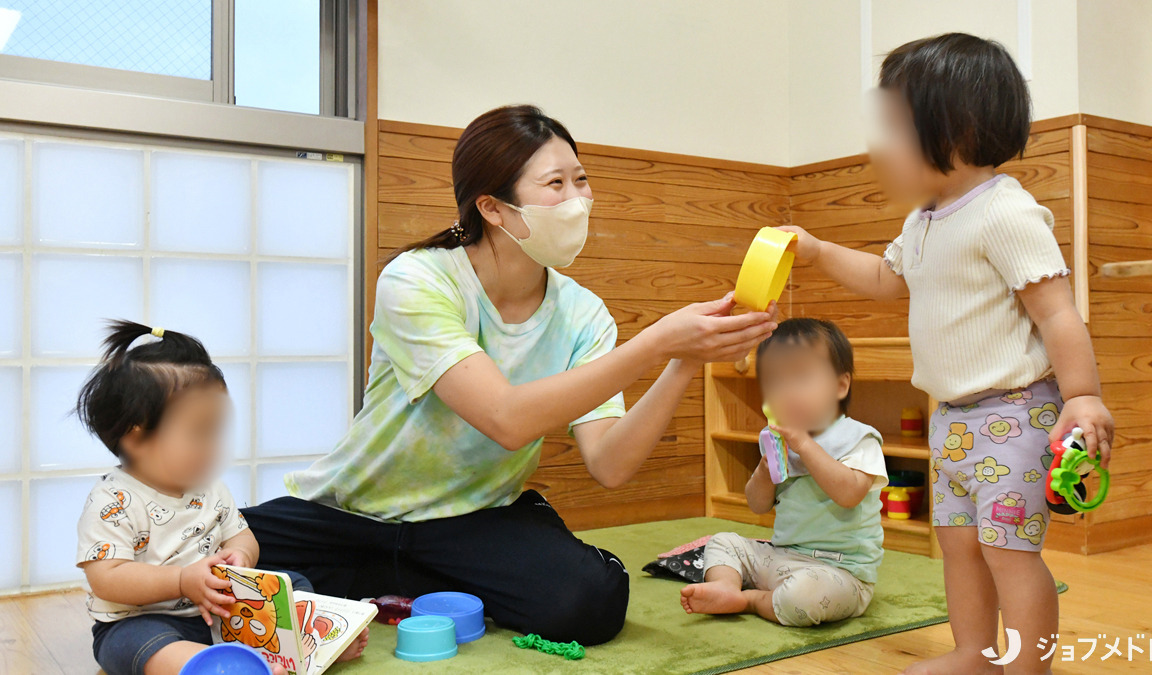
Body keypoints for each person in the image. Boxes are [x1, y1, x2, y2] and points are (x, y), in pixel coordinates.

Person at [243, 105, 777, 645]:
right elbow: (505, 418)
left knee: (590, 602)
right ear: (493, 209)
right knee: (208, 553)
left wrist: (684, 359)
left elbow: (611, 464)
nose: (577, 199)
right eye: (556, 184)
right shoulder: (418, 279)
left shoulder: (584, 315)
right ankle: (405, 581)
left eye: (582, 179)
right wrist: (656, 341)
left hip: (477, 519)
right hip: (354, 514)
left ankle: (386, 587)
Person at [780, 34, 1115, 674]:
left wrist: (1082, 394)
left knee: (1009, 552)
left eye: (897, 127)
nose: (883, 146)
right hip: (954, 418)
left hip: (1015, 414)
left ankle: (1026, 665)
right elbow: (886, 280)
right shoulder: (924, 219)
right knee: (958, 544)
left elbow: (1058, 313)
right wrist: (820, 251)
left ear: (955, 129)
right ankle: (974, 652)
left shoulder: (1006, 213)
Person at [75, 321, 368, 675]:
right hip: (145, 620)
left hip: (222, 614)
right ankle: (221, 665)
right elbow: (107, 578)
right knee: (142, 647)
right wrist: (182, 581)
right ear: (137, 435)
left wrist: (241, 556)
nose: (212, 446)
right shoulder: (114, 500)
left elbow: (241, 535)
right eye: (198, 432)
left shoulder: (209, 488)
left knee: (293, 585)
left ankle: (313, 644)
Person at [680, 318, 887, 627]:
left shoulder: (859, 438)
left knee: (803, 598)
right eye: (776, 381)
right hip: (781, 557)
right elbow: (758, 504)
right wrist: (765, 469)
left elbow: (849, 494)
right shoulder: (776, 439)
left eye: (802, 378)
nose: (788, 391)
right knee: (723, 541)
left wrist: (804, 445)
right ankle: (725, 586)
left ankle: (750, 600)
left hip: (839, 572)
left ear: (840, 385)